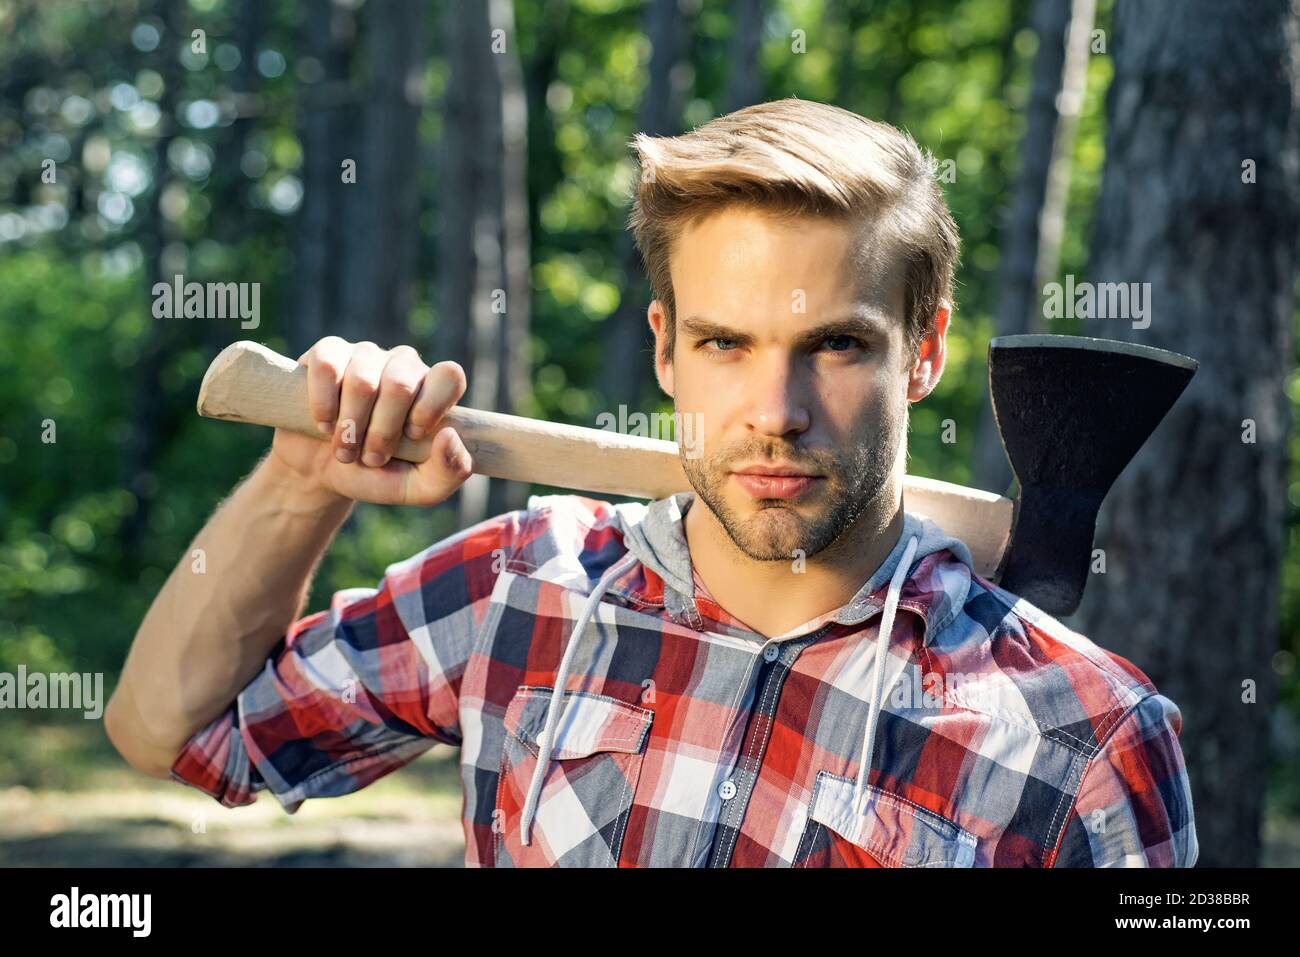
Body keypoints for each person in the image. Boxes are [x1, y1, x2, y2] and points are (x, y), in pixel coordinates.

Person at [105, 98, 1197, 868]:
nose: (776, 410)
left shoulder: (1084, 737)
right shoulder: (522, 587)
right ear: (666, 348)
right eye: (726, 343)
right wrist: (302, 482)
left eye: (835, 344)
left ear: (923, 351)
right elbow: (175, 735)